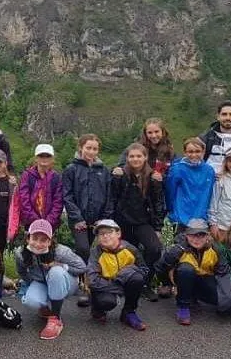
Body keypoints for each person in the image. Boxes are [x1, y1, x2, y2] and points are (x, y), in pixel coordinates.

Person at [110, 143, 166, 302]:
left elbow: (158, 203)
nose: (135, 159)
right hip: (122, 221)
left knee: (154, 249)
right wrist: (111, 224)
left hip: (143, 221)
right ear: (127, 158)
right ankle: (125, 282)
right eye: (132, 156)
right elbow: (112, 198)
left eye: (139, 156)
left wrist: (158, 227)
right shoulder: (120, 174)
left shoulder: (153, 177)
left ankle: (145, 282)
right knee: (125, 253)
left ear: (145, 157)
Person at [62, 134, 112, 307]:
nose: (91, 151)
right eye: (88, 148)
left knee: (99, 251)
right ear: (80, 148)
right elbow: (67, 196)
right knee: (83, 249)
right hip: (79, 220)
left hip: (98, 220)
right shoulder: (71, 169)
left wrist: (104, 219)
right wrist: (77, 218)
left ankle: (99, 285)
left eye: (95, 148)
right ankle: (84, 286)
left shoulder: (104, 171)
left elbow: (109, 196)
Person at [14, 219, 87, 340]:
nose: (38, 244)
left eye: (43, 240)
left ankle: (56, 318)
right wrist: (33, 283)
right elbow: (22, 272)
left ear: (50, 241)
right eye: (34, 238)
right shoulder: (20, 253)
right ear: (28, 238)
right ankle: (45, 309)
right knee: (30, 301)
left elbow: (82, 267)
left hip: (66, 283)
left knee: (55, 272)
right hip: (42, 282)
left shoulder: (61, 251)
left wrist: (60, 265)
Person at [158, 218, 228, 326]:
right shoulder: (178, 249)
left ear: (208, 235)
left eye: (201, 235)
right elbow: (161, 266)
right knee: (186, 269)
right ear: (186, 235)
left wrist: (227, 296)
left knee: (220, 299)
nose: (197, 239)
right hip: (183, 277)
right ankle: (183, 307)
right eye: (192, 235)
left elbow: (223, 271)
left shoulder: (215, 249)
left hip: (205, 279)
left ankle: (193, 296)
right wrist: (169, 284)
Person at [86, 219, 148, 330]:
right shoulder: (95, 253)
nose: (105, 236)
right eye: (101, 234)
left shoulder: (130, 249)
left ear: (118, 233)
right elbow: (92, 281)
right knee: (106, 302)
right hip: (104, 287)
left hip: (124, 281)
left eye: (109, 232)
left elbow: (144, 269)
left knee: (137, 279)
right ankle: (97, 309)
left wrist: (128, 272)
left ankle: (128, 312)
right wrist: (119, 286)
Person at [165, 138, 216, 233]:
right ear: (185, 152)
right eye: (190, 152)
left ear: (203, 152)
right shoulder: (177, 169)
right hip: (181, 218)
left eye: (197, 151)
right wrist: (172, 213)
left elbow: (211, 194)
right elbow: (170, 193)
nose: (194, 155)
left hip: (201, 218)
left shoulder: (209, 170)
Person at [18, 144, 64, 231]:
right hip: (30, 223)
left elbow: (58, 202)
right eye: (41, 156)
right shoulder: (27, 175)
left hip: (51, 225)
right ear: (36, 158)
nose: (44, 158)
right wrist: (35, 221)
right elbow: (24, 199)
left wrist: (48, 221)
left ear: (52, 159)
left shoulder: (56, 178)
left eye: (48, 156)